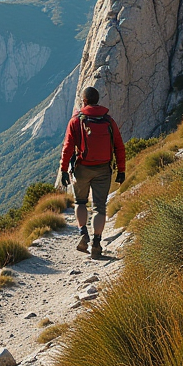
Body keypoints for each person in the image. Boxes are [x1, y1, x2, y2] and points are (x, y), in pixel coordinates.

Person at [59, 87, 125, 257]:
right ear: (97, 100)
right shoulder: (109, 121)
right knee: (99, 208)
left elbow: (67, 148)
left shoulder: (76, 121)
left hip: (82, 168)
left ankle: (83, 235)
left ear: (85, 101)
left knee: (81, 202)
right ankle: (96, 242)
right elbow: (119, 146)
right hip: (103, 169)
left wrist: (64, 169)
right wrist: (121, 170)